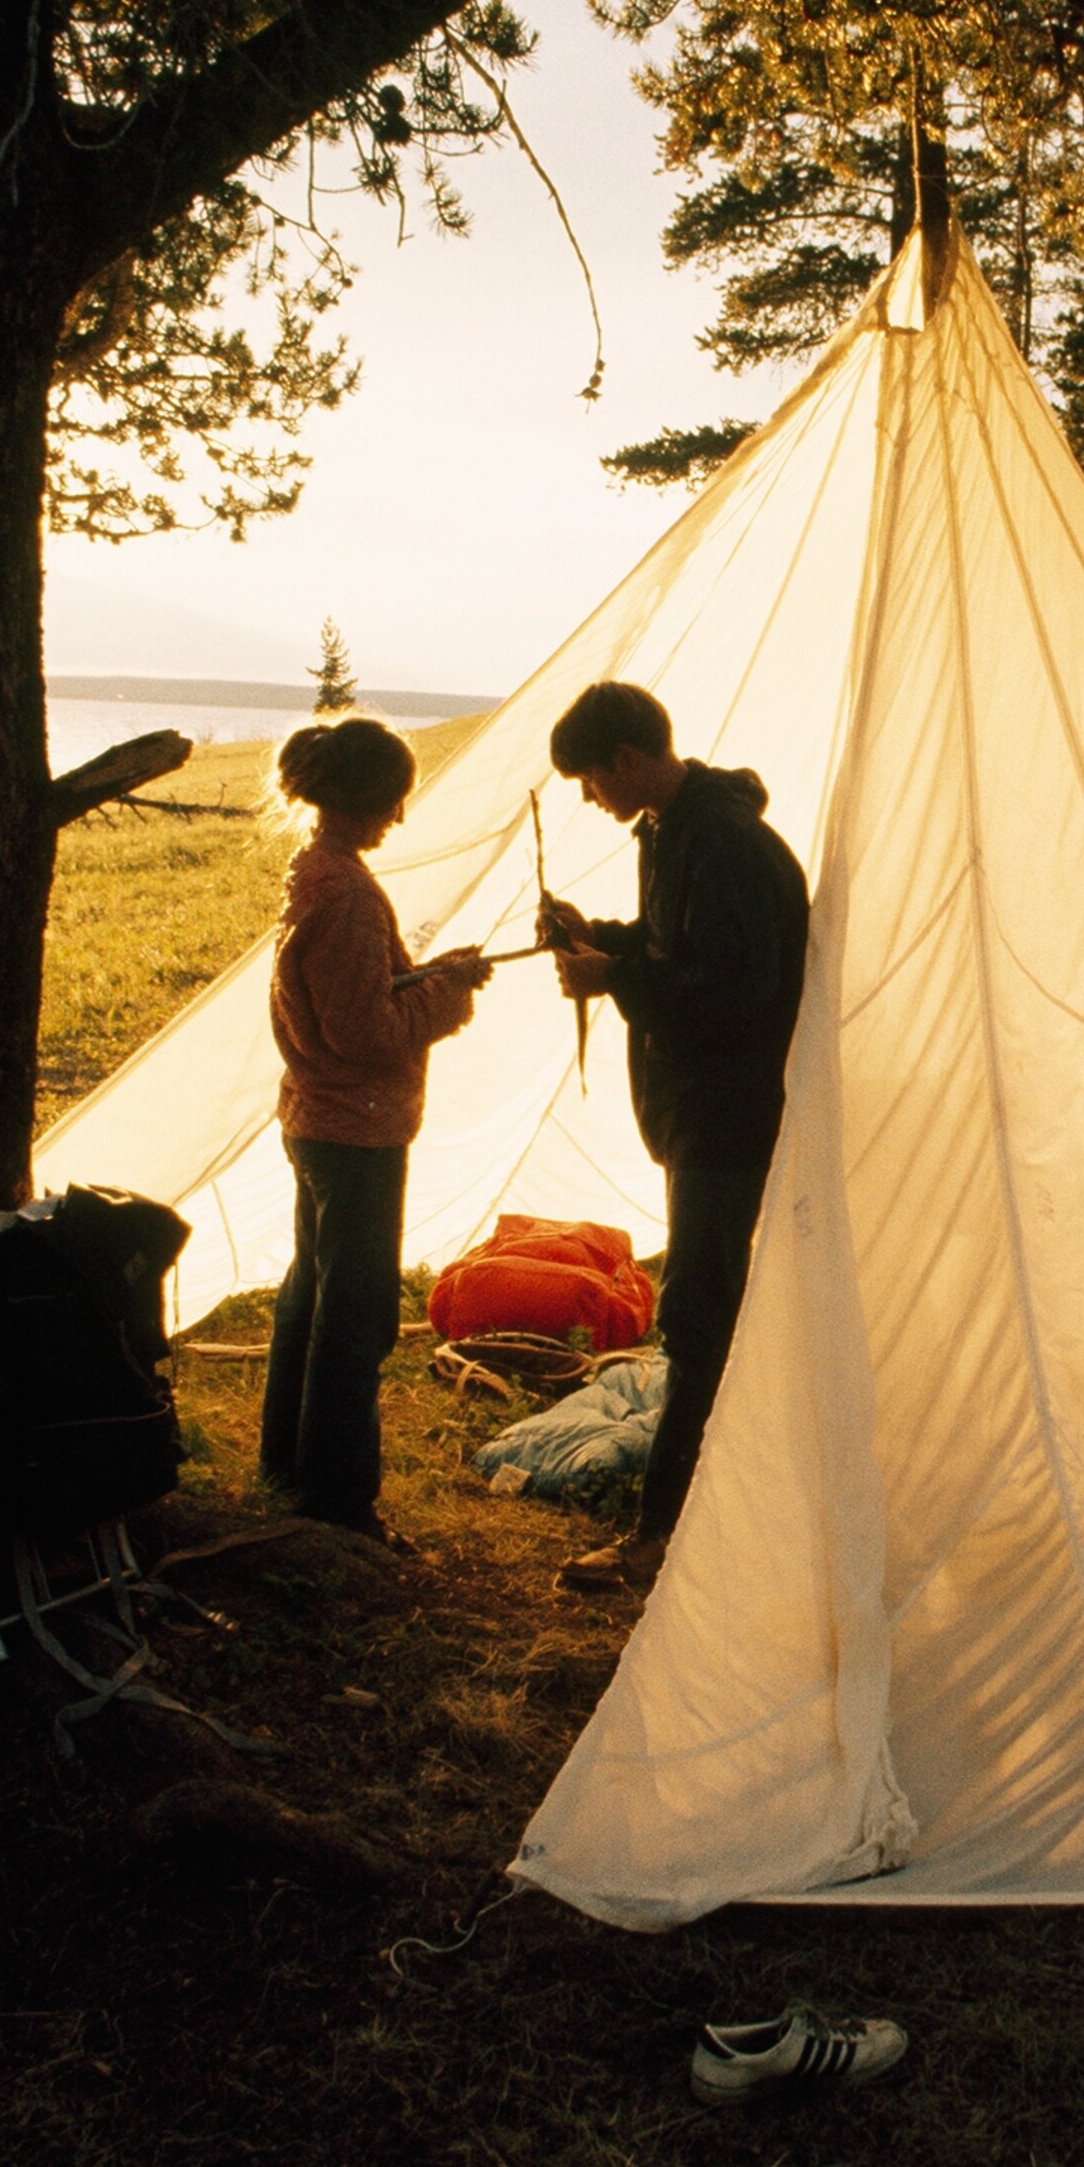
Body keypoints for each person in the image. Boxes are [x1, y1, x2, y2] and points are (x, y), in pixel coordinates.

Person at [540, 681, 808, 1591]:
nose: (588, 798)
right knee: (703, 1311)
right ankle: (709, 1509)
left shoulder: (721, 840)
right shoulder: (677, 828)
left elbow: (734, 994)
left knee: (697, 1316)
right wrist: (598, 939)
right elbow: (676, 950)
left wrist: (613, 975)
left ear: (623, 759)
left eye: (589, 779)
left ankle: (664, 1538)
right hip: (700, 1111)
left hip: (728, 1116)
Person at [260, 718, 491, 1540]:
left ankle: (285, 1470)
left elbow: (348, 1000)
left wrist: (427, 972)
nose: (399, 814)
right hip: (356, 1129)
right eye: (393, 800)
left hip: (313, 1118)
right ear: (367, 799)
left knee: (310, 1297)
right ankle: (338, 1501)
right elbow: (367, 1034)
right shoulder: (351, 895)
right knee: (355, 1315)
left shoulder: (314, 873)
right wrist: (448, 997)